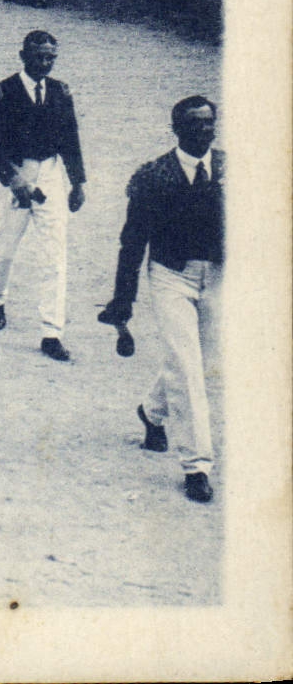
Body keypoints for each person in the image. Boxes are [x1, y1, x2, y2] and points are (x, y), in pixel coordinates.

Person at [97, 96, 222, 504]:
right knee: (187, 368)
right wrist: (122, 303)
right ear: (176, 129)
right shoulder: (153, 177)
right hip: (171, 277)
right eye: (195, 124)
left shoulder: (233, 170)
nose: (204, 131)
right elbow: (132, 243)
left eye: (209, 123)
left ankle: (152, 412)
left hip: (220, 276)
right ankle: (197, 466)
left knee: (203, 364)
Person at [0, 30, 86, 360]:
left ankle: (51, 332)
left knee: (54, 255)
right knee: (4, 249)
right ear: (23, 55)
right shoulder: (1, 93)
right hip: (16, 173)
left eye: (50, 58)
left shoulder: (60, 92)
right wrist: (14, 180)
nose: (44, 63)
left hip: (51, 174)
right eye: (39, 56)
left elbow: (70, 138)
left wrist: (78, 182)